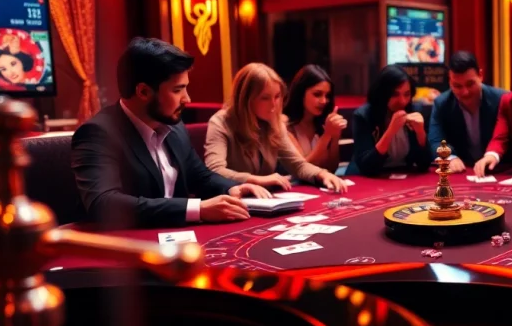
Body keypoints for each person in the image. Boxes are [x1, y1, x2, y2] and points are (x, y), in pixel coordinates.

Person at [72, 37, 268, 229]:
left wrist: (231, 187)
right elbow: (104, 204)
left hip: (172, 239)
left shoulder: (175, 127)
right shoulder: (98, 133)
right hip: (124, 248)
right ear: (143, 92)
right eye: (177, 90)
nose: (187, 99)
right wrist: (197, 209)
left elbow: (199, 176)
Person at [204, 63, 346, 193]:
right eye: (265, 98)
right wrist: (255, 179)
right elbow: (214, 170)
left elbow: (297, 165)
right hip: (230, 199)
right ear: (246, 99)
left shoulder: (274, 122)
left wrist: (322, 174)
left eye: (277, 96)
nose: (274, 105)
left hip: (265, 200)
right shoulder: (221, 122)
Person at [427, 51, 504, 173]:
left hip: (499, 170)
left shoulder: (501, 99)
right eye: (457, 86)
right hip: (463, 172)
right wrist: (450, 157)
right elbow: (435, 140)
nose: (465, 92)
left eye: (470, 84)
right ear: (449, 81)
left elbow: (508, 140)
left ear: (480, 75)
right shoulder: (442, 103)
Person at [347, 64, 432, 176]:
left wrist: (420, 133)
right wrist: (391, 130)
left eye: (407, 94)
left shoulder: (416, 111)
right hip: (368, 180)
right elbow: (367, 167)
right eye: (394, 94)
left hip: (404, 176)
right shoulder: (364, 115)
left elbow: (424, 165)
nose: (402, 101)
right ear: (382, 94)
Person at [284, 64, 345, 173]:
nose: (324, 101)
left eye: (327, 96)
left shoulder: (322, 121)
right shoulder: (285, 125)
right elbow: (302, 170)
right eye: (317, 94)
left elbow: (332, 168)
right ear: (301, 93)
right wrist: (327, 135)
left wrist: (334, 137)